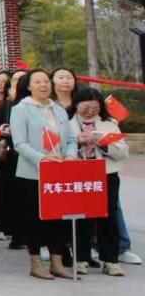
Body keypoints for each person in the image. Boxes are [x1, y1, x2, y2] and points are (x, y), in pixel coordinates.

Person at [8, 68, 74, 279]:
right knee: (34, 219)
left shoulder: (59, 110)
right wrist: (41, 159)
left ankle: (57, 263)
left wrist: (70, 155)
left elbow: (71, 139)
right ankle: (36, 263)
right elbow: (19, 143)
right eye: (37, 82)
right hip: (32, 174)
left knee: (58, 218)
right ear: (28, 86)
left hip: (59, 172)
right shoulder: (21, 109)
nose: (44, 85)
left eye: (46, 81)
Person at [68, 89, 127, 276]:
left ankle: (110, 260)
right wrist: (77, 142)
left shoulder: (109, 124)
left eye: (95, 108)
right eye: (85, 107)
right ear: (76, 105)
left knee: (108, 217)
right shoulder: (67, 124)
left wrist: (104, 144)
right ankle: (81, 259)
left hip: (106, 174)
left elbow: (122, 152)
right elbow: (58, 147)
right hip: (79, 174)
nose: (90, 112)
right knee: (81, 218)